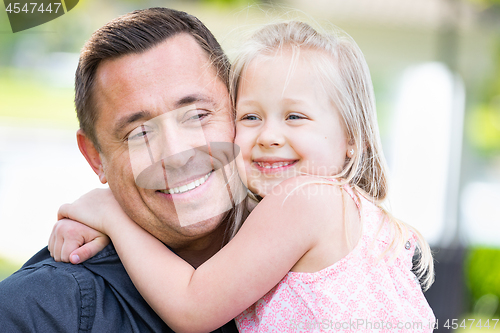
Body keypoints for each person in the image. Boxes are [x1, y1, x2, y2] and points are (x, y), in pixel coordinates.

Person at [51, 21, 436, 332]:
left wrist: (110, 214)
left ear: (353, 137)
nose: (268, 137)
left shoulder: (305, 200)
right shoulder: (354, 217)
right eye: (250, 117)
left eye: (295, 116)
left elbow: (191, 307)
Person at [0, 7, 246, 333]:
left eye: (197, 115)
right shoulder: (41, 312)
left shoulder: (322, 246)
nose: (176, 155)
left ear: (243, 112)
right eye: (139, 134)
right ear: (95, 157)